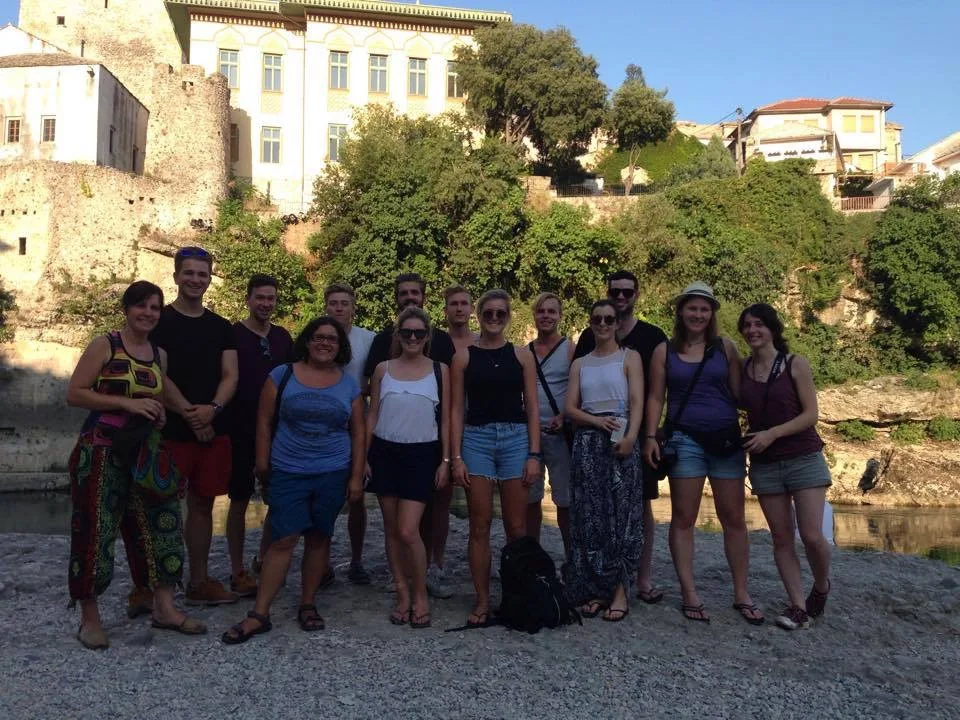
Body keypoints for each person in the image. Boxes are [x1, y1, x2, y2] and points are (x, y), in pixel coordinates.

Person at [66, 281, 206, 649]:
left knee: (164, 524)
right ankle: (89, 619)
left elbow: (156, 395)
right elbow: (75, 393)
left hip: (146, 451)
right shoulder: (105, 345)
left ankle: (164, 607)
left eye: (155, 307)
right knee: (96, 529)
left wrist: (163, 414)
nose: (148, 313)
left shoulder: (159, 355)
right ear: (126, 309)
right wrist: (126, 404)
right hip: (102, 450)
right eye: (141, 306)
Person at [222, 317, 365, 643]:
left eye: (332, 339)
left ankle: (308, 602)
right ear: (307, 341)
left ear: (340, 346)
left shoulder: (349, 386)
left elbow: (359, 433)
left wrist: (356, 476)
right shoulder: (281, 375)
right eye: (318, 337)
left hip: (333, 470)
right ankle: (260, 613)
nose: (325, 343)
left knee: (319, 537)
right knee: (283, 539)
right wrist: (262, 463)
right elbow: (264, 421)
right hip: (289, 469)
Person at [643, 282, 763, 625]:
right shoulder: (665, 351)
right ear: (681, 311)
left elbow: (740, 392)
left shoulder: (725, 346)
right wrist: (650, 436)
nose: (698, 314)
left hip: (725, 439)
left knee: (734, 518)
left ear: (712, 313)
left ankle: (741, 593)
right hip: (685, 439)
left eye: (704, 309)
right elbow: (656, 397)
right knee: (684, 517)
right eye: (692, 308)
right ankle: (690, 593)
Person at [150, 246, 239, 606]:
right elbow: (157, 374)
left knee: (202, 506)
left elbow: (231, 375)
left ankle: (198, 582)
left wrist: (212, 410)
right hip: (169, 431)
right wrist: (191, 414)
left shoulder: (221, 327)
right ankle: (155, 587)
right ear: (175, 276)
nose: (195, 279)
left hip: (212, 431)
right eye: (188, 272)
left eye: (202, 274)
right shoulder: (158, 322)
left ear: (210, 279)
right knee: (161, 508)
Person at [575, 270, 667, 605]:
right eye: (616, 291)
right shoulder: (588, 340)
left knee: (639, 506)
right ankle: (602, 581)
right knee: (598, 509)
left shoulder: (653, 337)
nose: (622, 297)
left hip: (636, 434)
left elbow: (655, 394)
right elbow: (579, 389)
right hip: (593, 438)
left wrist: (647, 435)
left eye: (628, 292)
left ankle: (641, 578)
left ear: (636, 294)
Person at [451, 289, 541, 627]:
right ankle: (482, 599)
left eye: (500, 313)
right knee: (480, 524)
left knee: (516, 526)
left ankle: (516, 597)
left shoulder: (522, 356)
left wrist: (534, 454)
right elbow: (456, 410)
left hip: (516, 438)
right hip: (476, 439)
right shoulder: (463, 358)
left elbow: (532, 407)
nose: (493, 318)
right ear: (479, 315)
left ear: (508, 316)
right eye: (487, 312)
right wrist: (455, 456)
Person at [738, 303, 832, 630]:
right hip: (764, 464)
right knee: (781, 537)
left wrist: (772, 434)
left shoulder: (795, 364)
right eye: (747, 325)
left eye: (759, 324)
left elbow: (811, 415)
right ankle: (797, 606)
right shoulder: (743, 369)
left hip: (803, 457)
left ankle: (821, 585)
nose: (752, 330)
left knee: (812, 535)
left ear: (772, 328)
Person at [364, 273, 456, 593]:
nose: (413, 337)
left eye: (414, 292)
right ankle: (402, 583)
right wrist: (363, 457)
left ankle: (430, 571)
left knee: (419, 521)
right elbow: (372, 409)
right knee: (393, 525)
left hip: (424, 449)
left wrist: (448, 459)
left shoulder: (441, 356)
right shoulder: (382, 352)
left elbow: (447, 413)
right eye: (407, 333)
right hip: (387, 448)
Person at [562, 299, 645, 623]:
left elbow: (637, 401)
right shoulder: (580, 364)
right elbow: (571, 408)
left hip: (621, 438)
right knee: (590, 517)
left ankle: (620, 590)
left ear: (617, 323)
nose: (603, 324)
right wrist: (596, 422)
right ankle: (597, 589)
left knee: (622, 517)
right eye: (597, 319)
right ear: (591, 322)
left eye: (609, 319)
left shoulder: (630, 357)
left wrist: (631, 437)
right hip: (588, 441)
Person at [225, 274, 293, 598]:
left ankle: (264, 560)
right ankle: (237, 569)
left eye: (271, 298)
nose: (266, 304)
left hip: (279, 431)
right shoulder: (233, 335)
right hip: (241, 428)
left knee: (278, 499)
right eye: (260, 298)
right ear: (248, 299)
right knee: (239, 499)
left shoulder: (283, 338)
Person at [425, 284, 478, 599]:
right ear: (445, 310)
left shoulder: (482, 341)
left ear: (471, 309)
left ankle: (478, 559)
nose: (459, 308)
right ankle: (437, 561)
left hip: (477, 423)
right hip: (441, 422)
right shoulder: (435, 342)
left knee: (477, 497)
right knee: (440, 498)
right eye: (453, 304)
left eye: (464, 303)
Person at [325, 282, 376, 586]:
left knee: (357, 497)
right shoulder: (318, 336)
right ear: (326, 306)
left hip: (358, 423)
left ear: (353, 308)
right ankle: (324, 561)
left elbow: (375, 382)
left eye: (345, 303)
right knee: (326, 495)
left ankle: (356, 561)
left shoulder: (368, 339)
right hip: (324, 425)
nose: (339, 308)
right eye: (334, 303)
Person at [527, 292, 574, 557]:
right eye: (541, 311)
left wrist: (565, 416)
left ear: (559, 316)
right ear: (534, 315)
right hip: (530, 435)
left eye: (551, 311)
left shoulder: (569, 349)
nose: (546, 316)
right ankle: (533, 556)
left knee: (565, 499)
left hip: (560, 434)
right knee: (530, 498)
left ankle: (570, 557)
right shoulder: (525, 351)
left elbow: (578, 388)